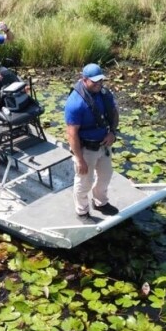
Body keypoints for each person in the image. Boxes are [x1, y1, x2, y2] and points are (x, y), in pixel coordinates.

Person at [64, 63, 120, 221]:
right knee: (84, 182)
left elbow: (114, 114)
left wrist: (112, 133)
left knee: (106, 175)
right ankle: (82, 211)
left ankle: (100, 202)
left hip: (103, 145)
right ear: (84, 80)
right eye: (94, 82)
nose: (98, 84)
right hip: (86, 148)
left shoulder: (104, 93)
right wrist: (80, 159)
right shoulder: (75, 103)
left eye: (100, 81)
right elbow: (72, 134)